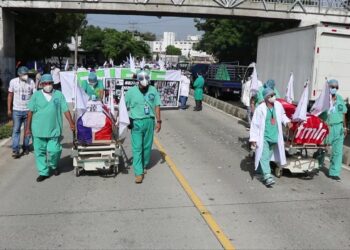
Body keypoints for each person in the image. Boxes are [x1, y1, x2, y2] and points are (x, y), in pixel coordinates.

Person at [25, 74, 75, 182]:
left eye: (50, 83)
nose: (48, 85)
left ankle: (53, 165)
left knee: (55, 150)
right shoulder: (36, 96)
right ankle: (43, 172)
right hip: (38, 130)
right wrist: (27, 129)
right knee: (40, 152)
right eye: (46, 83)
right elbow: (30, 113)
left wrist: (71, 123)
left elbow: (65, 110)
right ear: (41, 84)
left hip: (54, 129)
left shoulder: (58, 95)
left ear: (53, 83)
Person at [250, 88, 292, 187]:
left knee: (267, 156)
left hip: (275, 137)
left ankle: (261, 171)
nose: (274, 97)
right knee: (264, 156)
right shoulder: (260, 109)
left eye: (273, 94)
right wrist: (253, 139)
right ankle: (267, 176)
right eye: (271, 95)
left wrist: (287, 122)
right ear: (266, 98)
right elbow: (255, 124)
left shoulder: (278, 105)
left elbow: (282, 116)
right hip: (264, 137)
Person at [125, 71, 161, 184]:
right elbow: (123, 107)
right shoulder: (130, 92)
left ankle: (144, 165)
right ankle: (138, 173)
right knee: (137, 148)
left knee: (146, 147)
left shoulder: (153, 90)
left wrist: (159, 121)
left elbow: (157, 106)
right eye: (142, 86)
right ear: (138, 82)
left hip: (149, 122)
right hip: (136, 122)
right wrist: (123, 122)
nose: (144, 88)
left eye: (146, 86)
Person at [318, 79, 347, 181]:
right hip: (327, 127)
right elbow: (317, 114)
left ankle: (334, 172)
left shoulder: (339, 99)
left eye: (336, 87)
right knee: (322, 148)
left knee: (337, 152)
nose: (334, 89)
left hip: (338, 128)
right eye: (332, 87)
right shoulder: (323, 100)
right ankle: (318, 162)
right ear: (328, 88)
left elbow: (343, 113)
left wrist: (344, 127)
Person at [7, 66, 36, 158]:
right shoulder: (13, 82)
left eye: (26, 74)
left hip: (28, 110)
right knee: (16, 130)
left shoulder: (31, 82)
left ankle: (26, 147)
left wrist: (35, 108)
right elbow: (10, 95)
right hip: (17, 110)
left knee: (28, 130)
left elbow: (35, 96)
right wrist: (9, 109)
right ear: (19, 75)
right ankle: (15, 149)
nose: (25, 76)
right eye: (24, 74)